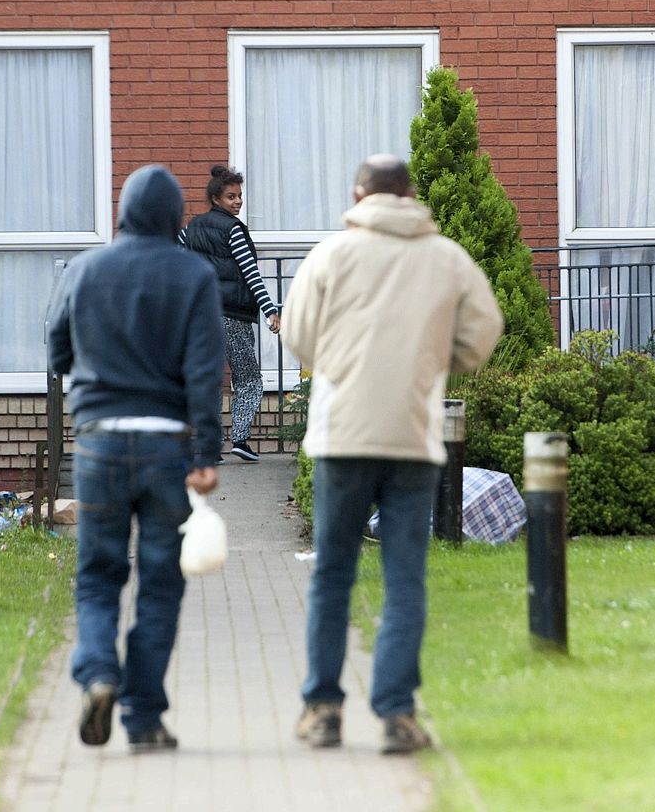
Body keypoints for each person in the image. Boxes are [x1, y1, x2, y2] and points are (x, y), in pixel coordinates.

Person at [282, 154, 503, 755]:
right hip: (412, 435)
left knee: (333, 572)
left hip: (342, 436)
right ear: (409, 194)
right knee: (405, 577)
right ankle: (398, 714)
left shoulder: (330, 255)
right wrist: (435, 361)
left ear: (358, 195)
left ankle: (323, 709)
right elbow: (483, 332)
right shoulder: (446, 257)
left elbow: (298, 336)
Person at [46, 164, 224, 754]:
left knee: (97, 575)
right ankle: (143, 718)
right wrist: (207, 451)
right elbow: (203, 369)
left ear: (123, 211)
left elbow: (57, 348)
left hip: (98, 444)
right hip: (167, 450)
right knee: (160, 583)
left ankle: (98, 674)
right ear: (176, 217)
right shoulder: (194, 274)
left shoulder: (84, 269)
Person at [179, 165, 281, 464]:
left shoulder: (190, 229)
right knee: (249, 379)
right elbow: (250, 273)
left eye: (239, 196)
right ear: (215, 198)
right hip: (232, 315)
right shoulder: (234, 230)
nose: (237, 202)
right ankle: (240, 439)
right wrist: (270, 309)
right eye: (231, 196)